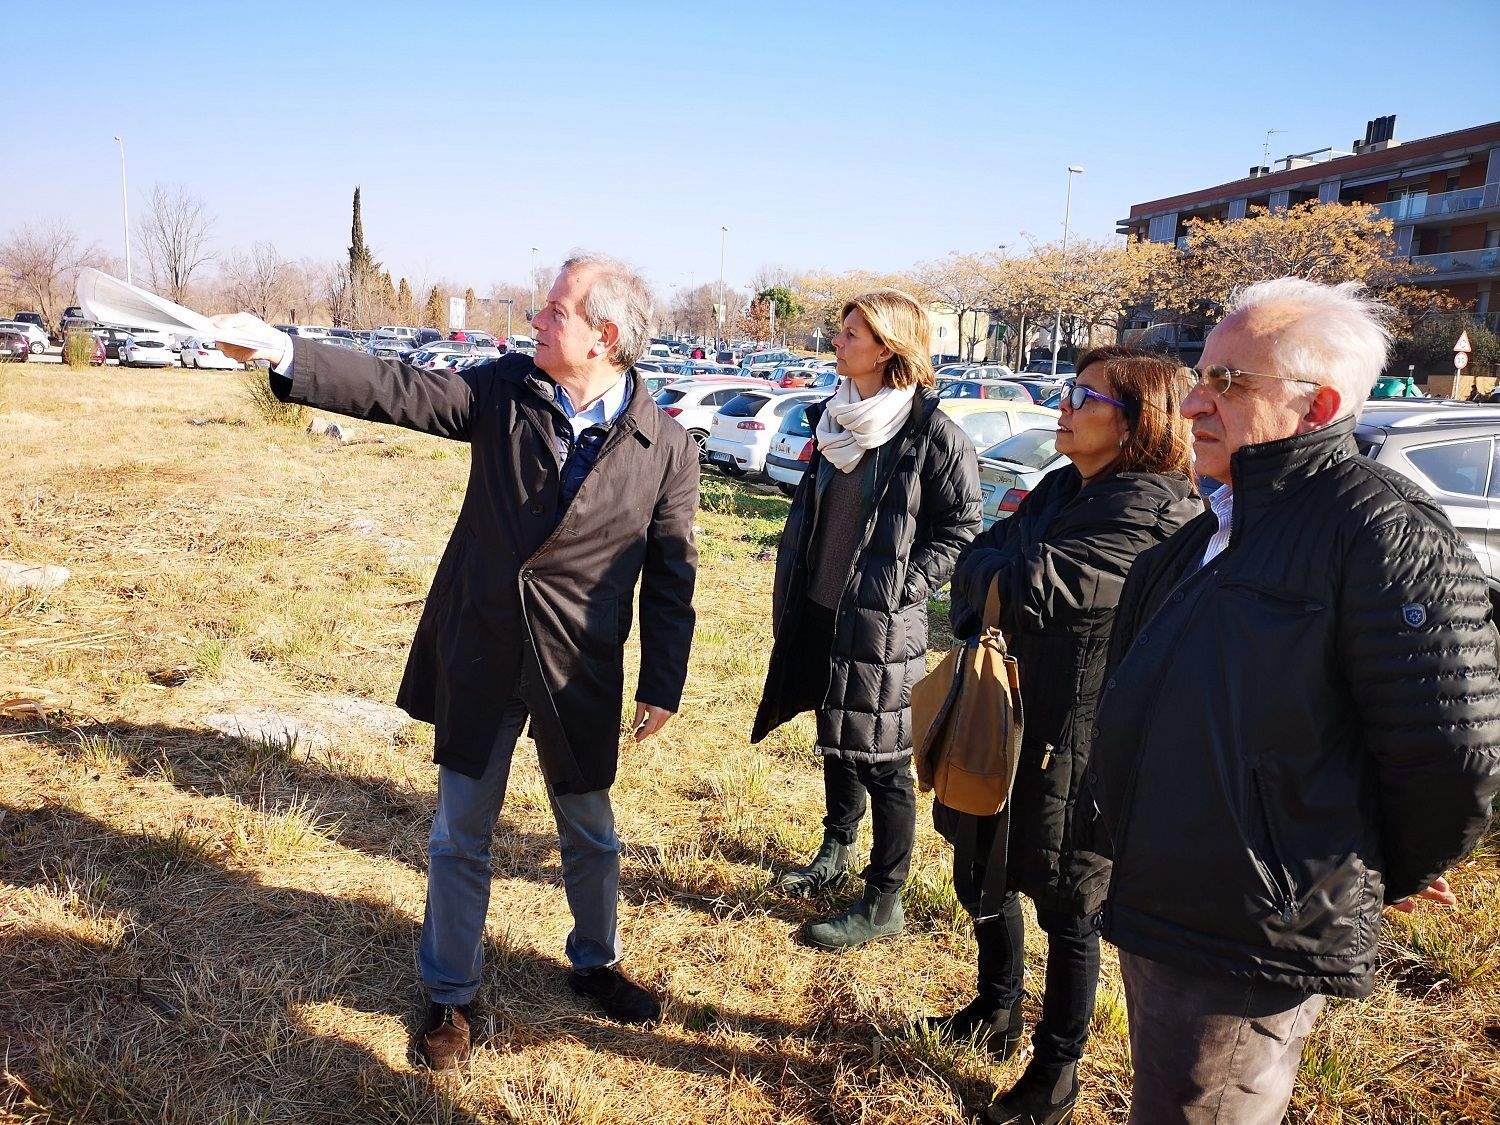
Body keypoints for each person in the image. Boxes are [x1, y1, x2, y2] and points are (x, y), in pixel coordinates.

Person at [213, 252, 700, 1069]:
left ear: (604, 336)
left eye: (555, 311)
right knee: (459, 832)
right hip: (484, 645)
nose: (537, 321)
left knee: (590, 829)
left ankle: (596, 960)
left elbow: (672, 577)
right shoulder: (503, 390)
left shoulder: (666, 447)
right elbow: (400, 388)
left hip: (578, 667)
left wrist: (662, 681)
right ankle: (450, 991)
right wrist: (284, 352)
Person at [1087, 279, 1500, 1123]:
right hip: (1171, 895)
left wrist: (1366, 864)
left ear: (1319, 409)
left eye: (1230, 382)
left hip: (1251, 928)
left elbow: (1455, 755)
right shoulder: (1215, 526)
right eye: (1200, 373)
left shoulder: (1379, 532)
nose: (1196, 401)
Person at [932, 348, 1200, 1125]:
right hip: (1007, 711)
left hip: (1078, 738)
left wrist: (1000, 572)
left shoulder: (1155, 511)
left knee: (1069, 903)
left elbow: (1023, 584)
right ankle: (994, 1007)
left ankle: (1055, 1073)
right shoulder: (1059, 486)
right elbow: (984, 560)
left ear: (1137, 418)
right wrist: (998, 572)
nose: (1064, 403)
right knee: (978, 861)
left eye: (1084, 394)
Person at [751, 288, 980, 948]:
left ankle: (885, 899)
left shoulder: (932, 433)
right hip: (818, 610)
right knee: (836, 736)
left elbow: (964, 526)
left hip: (882, 624)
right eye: (841, 329)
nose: (837, 339)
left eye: (851, 333)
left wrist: (902, 587)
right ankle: (835, 850)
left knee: (883, 762)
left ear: (887, 347)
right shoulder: (835, 419)